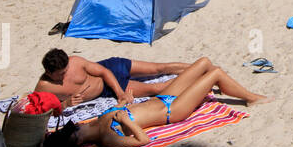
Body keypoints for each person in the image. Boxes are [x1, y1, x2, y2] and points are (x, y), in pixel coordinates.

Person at [41, 58, 270, 147]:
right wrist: (127, 121)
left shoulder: (95, 122)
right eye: (76, 130)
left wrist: (123, 103)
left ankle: (224, 88)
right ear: (79, 141)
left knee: (204, 63)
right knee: (215, 74)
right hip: (173, 111)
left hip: (162, 98)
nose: (79, 125)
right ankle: (251, 98)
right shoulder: (107, 138)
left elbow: (116, 109)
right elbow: (143, 141)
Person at [36, 49, 193, 105]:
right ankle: (198, 76)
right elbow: (40, 111)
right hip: (106, 90)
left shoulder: (75, 62)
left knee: (159, 68)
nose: (65, 75)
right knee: (156, 88)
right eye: (60, 74)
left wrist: (120, 93)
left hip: (111, 68)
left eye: (66, 70)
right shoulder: (44, 87)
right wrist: (66, 105)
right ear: (49, 73)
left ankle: (200, 67)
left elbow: (104, 72)